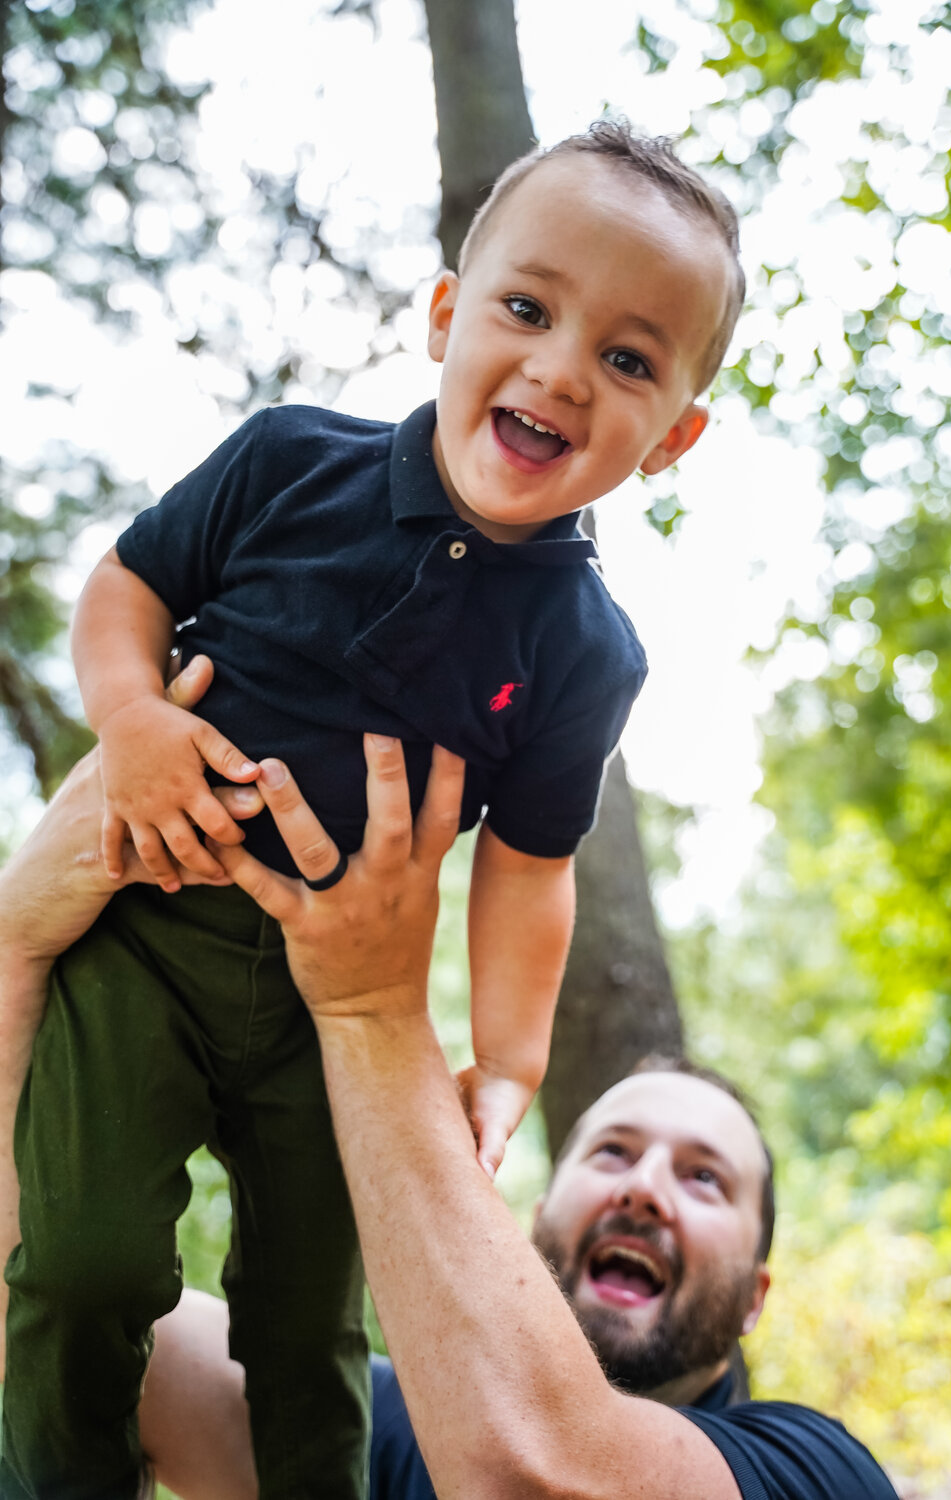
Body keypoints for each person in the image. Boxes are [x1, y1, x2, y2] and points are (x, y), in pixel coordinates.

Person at [2, 120, 745, 1497]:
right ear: (449, 317)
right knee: (84, 1261)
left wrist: (510, 1061)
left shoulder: (586, 648)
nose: (561, 369)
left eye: (629, 359)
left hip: (323, 1007)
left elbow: (532, 866)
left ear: (673, 438)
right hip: (144, 938)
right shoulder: (289, 462)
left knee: (306, 1323)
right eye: (527, 309)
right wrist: (136, 717)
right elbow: (125, 590)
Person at [0, 719, 900, 1500]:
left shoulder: (815, 1471)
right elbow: (42, 1317)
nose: (646, 1190)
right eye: (613, 1153)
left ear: (755, 1297)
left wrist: (371, 1005)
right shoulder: (370, 1429)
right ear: (536, 1216)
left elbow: (539, 1480)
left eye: (706, 1177)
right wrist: (12, 949)